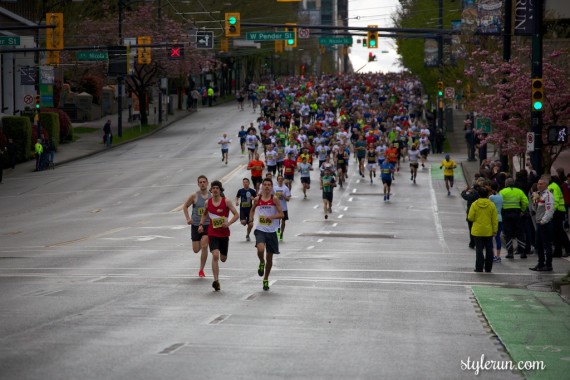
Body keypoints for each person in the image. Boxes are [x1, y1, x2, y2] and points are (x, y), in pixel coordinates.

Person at [198, 180, 239, 291]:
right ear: (211, 190)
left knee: (223, 258)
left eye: (217, 188)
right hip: (213, 233)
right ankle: (216, 281)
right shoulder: (208, 203)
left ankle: (223, 255)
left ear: (220, 190)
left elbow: (236, 215)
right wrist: (201, 224)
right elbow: (205, 214)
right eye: (213, 188)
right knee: (215, 255)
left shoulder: (227, 202)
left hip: (224, 234)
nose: (215, 190)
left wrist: (228, 223)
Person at [249, 178, 284, 291]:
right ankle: (261, 262)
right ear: (262, 187)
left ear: (272, 187)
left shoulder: (274, 199)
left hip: (272, 231)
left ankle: (265, 279)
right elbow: (252, 210)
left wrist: (272, 217)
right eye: (265, 185)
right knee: (260, 249)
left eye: (269, 185)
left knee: (270, 258)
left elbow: (281, 214)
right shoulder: (257, 199)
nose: (267, 187)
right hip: (260, 229)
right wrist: (251, 220)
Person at [182, 175, 212, 278]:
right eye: (200, 182)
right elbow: (185, 206)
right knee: (196, 249)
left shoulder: (211, 196)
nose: (202, 184)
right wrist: (188, 219)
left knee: (204, 245)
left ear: (207, 183)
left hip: (207, 225)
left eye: (204, 182)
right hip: (195, 224)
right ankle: (201, 268)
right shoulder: (194, 196)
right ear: (198, 184)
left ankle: (201, 270)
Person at [468, 186, 498, 273]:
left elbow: (470, 217)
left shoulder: (474, 204)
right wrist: (495, 230)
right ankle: (488, 268)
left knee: (479, 249)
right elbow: (494, 219)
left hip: (477, 231)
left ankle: (479, 267)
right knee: (489, 249)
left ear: (479, 194)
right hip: (488, 231)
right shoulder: (491, 205)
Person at [529, 177, 555, 271]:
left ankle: (548, 265)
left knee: (546, 245)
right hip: (539, 222)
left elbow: (549, 210)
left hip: (545, 223)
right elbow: (536, 209)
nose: (539, 186)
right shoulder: (539, 195)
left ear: (546, 185)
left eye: (541, 184)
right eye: (538, 184)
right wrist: (534, 202)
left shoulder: (548, 195)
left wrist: (543, 221)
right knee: (538, 244)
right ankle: (540, 263)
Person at [500, 178, 529, 259]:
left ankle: (510, 252)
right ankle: (523, 252)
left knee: (508, 233)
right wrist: (522, 210)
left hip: (506, 214)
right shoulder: (519, 191)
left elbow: (499, 202)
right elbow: (526, 201)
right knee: (519, 233)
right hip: (517, 214)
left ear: (506, 184)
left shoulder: (502, 191)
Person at [273, 174, 291, 240]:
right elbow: (271, 197)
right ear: (277, 180)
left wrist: (283, 195)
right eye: (279, 179)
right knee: (277, 222)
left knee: (283, 222)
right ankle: (278, 232)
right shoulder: (274, 188)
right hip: (276, 208)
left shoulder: (285, 188)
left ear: (283, 180)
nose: (280, 180)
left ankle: (281, 234)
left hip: (284, 208)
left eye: (281, 179)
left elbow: (288, 199)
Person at [489, 182, 504, 263]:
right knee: (498, 237)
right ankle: (498, 256)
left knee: (491, 237)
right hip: (500, 218)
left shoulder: (491, 197)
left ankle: (492, 255)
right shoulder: (501, 196)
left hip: (493, 218)